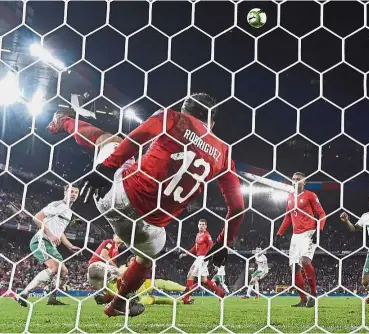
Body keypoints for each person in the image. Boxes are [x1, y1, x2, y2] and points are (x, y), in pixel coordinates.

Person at [46, 93, 245, 317]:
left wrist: (108, 167)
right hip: (150, 228)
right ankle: (119, 304)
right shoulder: (224, 153)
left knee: (108, 139)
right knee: (148, 256)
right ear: (213, 122)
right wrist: (222, 244)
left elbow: (138, 136)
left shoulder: (174, 118)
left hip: (116, 197)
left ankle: (63, 121)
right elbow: (237, 207)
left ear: (184, 110)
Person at [15, 185, 81, 307]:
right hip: (41, 240)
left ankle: (52, 299)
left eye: (76, 192)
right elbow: (37, 218)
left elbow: (60, 232)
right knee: (55, 268)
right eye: (71, 191)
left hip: (49, 244)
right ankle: (23, 294)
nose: (73, 194)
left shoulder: (69, 212)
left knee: (64, 273)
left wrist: (69, 246)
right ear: (65, 192)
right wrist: (50, 235)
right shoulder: (57, 205)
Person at [277, 172, 326, 308]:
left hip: (308, 232)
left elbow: (322, 214)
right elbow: (288, 216)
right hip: (295, 235)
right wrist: (279, 234)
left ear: (305, 182)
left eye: (298, 179)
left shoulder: (311, 195)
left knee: (305, 261)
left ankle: (314, 294)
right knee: (294, 268)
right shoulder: (290, 197)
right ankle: (303, 299)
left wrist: (319, 229)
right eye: (293, 179)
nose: (295, 181)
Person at [179, 219, 225, 304]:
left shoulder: (207, 235)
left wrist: (211, 259)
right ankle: (221, 292)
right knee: (204, 280)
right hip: (199, 258)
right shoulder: (198, 235)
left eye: (203, 224)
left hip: (202, 258)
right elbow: (195, 247)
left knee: (190, 276)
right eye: (200, 224)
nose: (201, 226)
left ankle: (186, 298)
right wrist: (186, 254)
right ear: (197, 225)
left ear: (206, 226)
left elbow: (212, 247)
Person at [87, 235, 123, 304]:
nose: (120, 236)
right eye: (117, 235)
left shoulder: (116, 251)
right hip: (96, 266)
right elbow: (103, 254)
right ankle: (124, 295)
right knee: (120, 274)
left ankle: (101, 296)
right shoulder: (110, 242)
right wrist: (116, 267)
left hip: (95, 276)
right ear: (113, 237)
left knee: (108, 289)